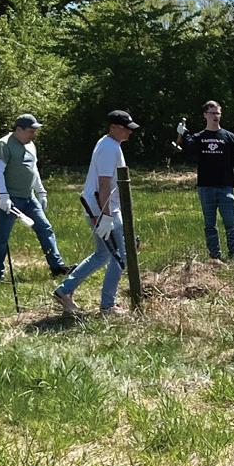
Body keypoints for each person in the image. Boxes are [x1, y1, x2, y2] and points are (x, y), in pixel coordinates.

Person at [53, 110, 139, 317]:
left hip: (102, 208)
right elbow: (103, 184)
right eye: (126, 128)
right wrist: (106, 216)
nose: (129, 132)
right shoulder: (109, 148)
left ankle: (64, 291)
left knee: (102, 254)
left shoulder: (110, 144)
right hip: (102, 209)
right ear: (113, 127)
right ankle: (108, 306)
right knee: (120, 257)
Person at [0, 114, 74, 281]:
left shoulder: (30, 145)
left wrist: (41, 192)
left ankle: (57, 267)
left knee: (45, 228)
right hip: (11, 199)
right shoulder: (3, 145)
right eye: (30, 131)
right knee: (2, 237)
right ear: (18, 129)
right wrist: (4, 196)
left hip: (29, 197)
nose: (33, 135)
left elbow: (33, 169)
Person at [174, 101, 234, 261]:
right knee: (210, 225)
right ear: (205, 115)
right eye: (212, 113)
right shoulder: (199, 138)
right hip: (206, 187)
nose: (215, 116)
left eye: (218, 113)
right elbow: (189, 149)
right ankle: (215, 257)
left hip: (226, 186)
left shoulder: (229, 137)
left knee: (231, 222)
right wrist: (184, 133)